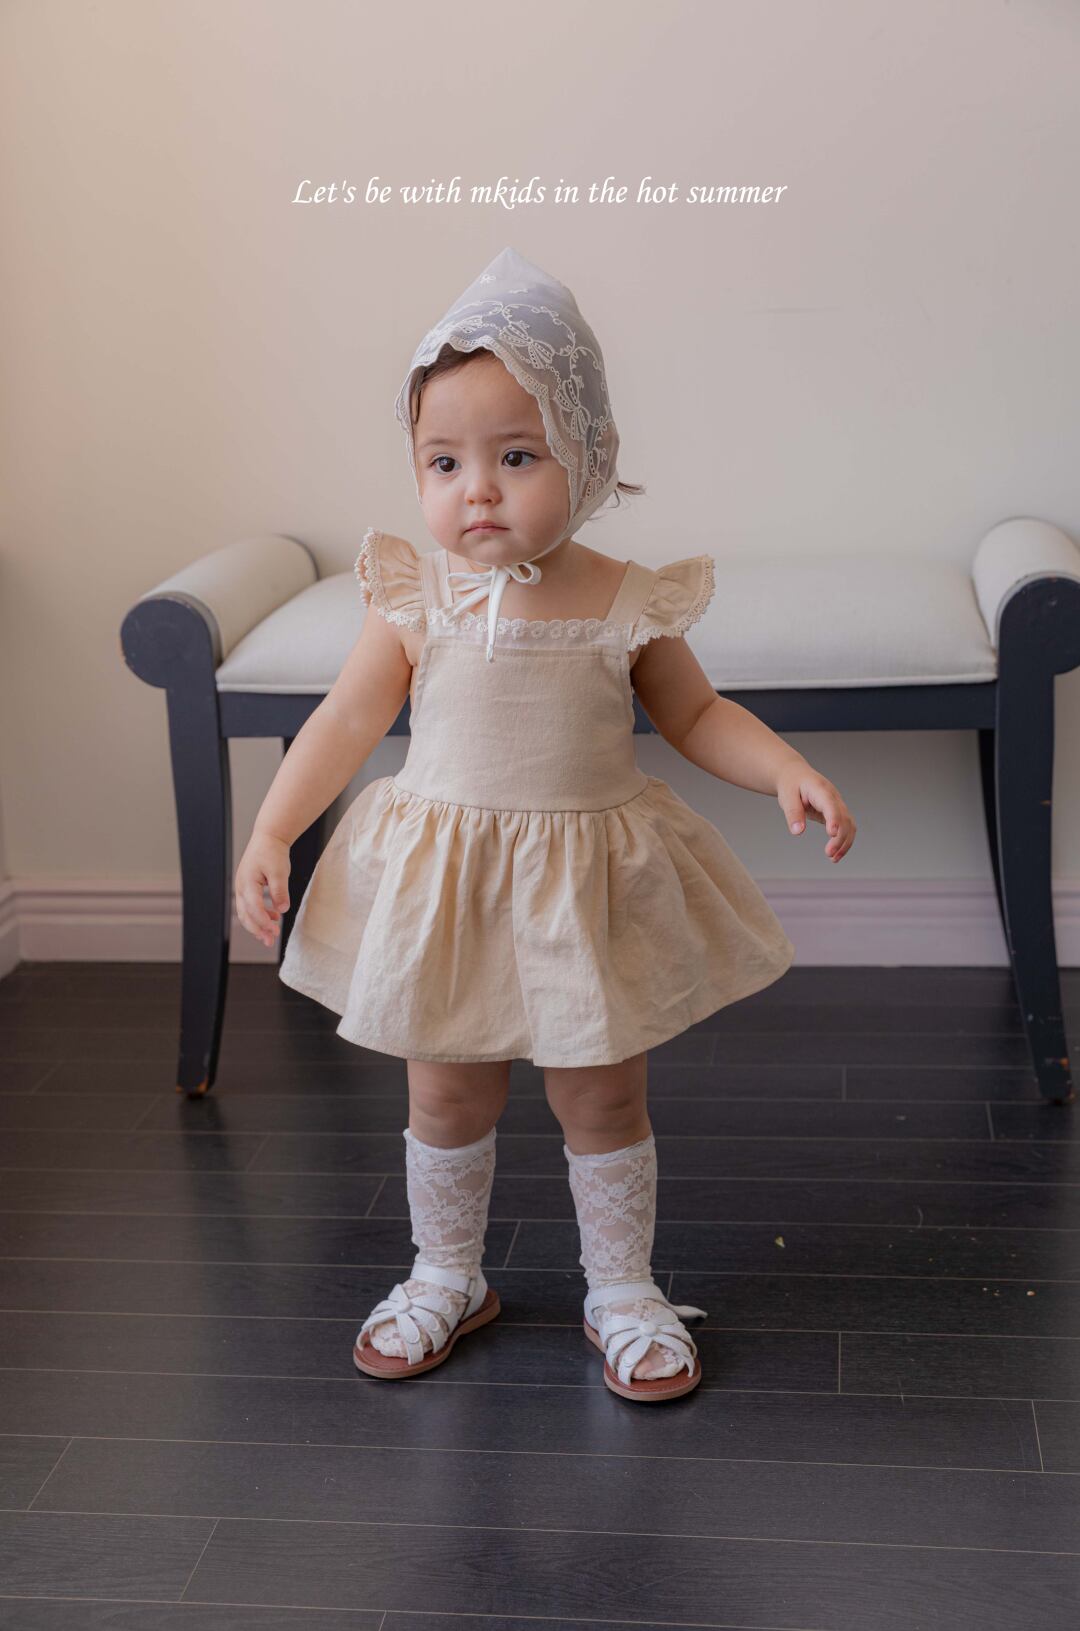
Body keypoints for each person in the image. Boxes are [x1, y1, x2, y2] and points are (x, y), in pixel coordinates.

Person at [234, 246, 856, 1402]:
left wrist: (784, 767)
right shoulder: (413, 595)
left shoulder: (625, 598)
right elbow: (347, 718)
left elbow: (697, 712)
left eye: (516, 456)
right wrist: (273, 829)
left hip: (580, 890)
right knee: (446, 1092)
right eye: (445, 461)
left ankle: (621, 1288)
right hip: (449, 889)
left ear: (589, 455)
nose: (477, 489)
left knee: (602, 1094)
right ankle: (446, 1272)